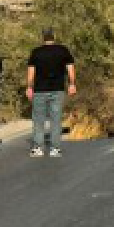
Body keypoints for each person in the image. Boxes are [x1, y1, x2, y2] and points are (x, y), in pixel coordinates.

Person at [26, 27, 75, 158]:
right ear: (54, 36)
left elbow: (31, 72)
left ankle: (38, 148)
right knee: (56, 119)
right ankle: (55, 149)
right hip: (58, 89)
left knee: (38, 120)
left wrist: (29, 87)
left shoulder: (36, 52)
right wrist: (72, 84)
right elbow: (70, 69)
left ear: (43, 37)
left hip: (40, 90)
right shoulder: (63, 50)